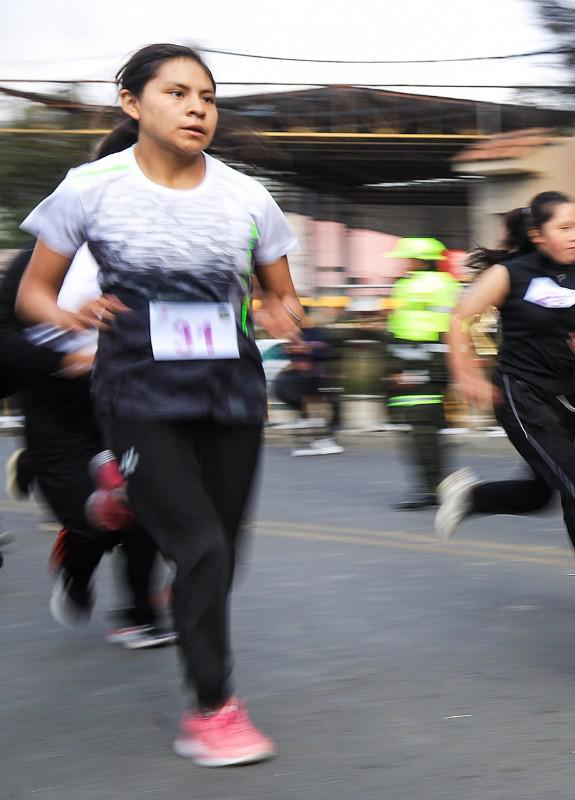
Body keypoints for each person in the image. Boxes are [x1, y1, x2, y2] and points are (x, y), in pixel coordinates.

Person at [16, 43, 302, 766]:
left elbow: (280, 291)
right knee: (201, 547)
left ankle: (126, 500)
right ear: (131, 102)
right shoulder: (92, 187)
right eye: (177, 93)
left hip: (230, 389)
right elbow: (32, 292)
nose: (197, 107)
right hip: (136, 389)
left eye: (206, 96)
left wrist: (281, 313)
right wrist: (67, 316)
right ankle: (214, 709)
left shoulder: (246, 196)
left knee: (222, 550)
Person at [435, 191, 575, 614]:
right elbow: (460, 317)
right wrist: (465, 372)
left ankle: (471, 497)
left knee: (539, 493)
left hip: (564, 397)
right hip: (520, 394)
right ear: (538, 234)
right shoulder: (510, 274)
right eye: (564, 228)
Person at [1, 241, 173, 649]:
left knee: (141, 509)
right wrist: (63, 360)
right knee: (93, 520)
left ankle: (140, 616)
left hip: (128, 406)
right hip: (58, 414)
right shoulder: (36, 261)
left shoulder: (145, 257)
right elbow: (4, 339)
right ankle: (73, 566)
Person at [384, 237, 461, 509]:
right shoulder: (446, 284)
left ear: (420, 259)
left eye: (410, 258)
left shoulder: (418, 285)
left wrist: (405, 367)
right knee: (423, 424)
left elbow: (429, 326)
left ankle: (434, 487)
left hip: (423, 361)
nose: (406, 263)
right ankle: (433, 485)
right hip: (422, 359)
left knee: (423, 425)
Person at [274, 306, 344, 457]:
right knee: (306, 408)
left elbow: (326, 351)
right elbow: (288, 351)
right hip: (301, 379)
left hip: (316, 378)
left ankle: (323, 437)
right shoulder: (297, 334)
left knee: (329, 407)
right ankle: (314, 437)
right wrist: (296, 350)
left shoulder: (318, 333)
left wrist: (304, 349)